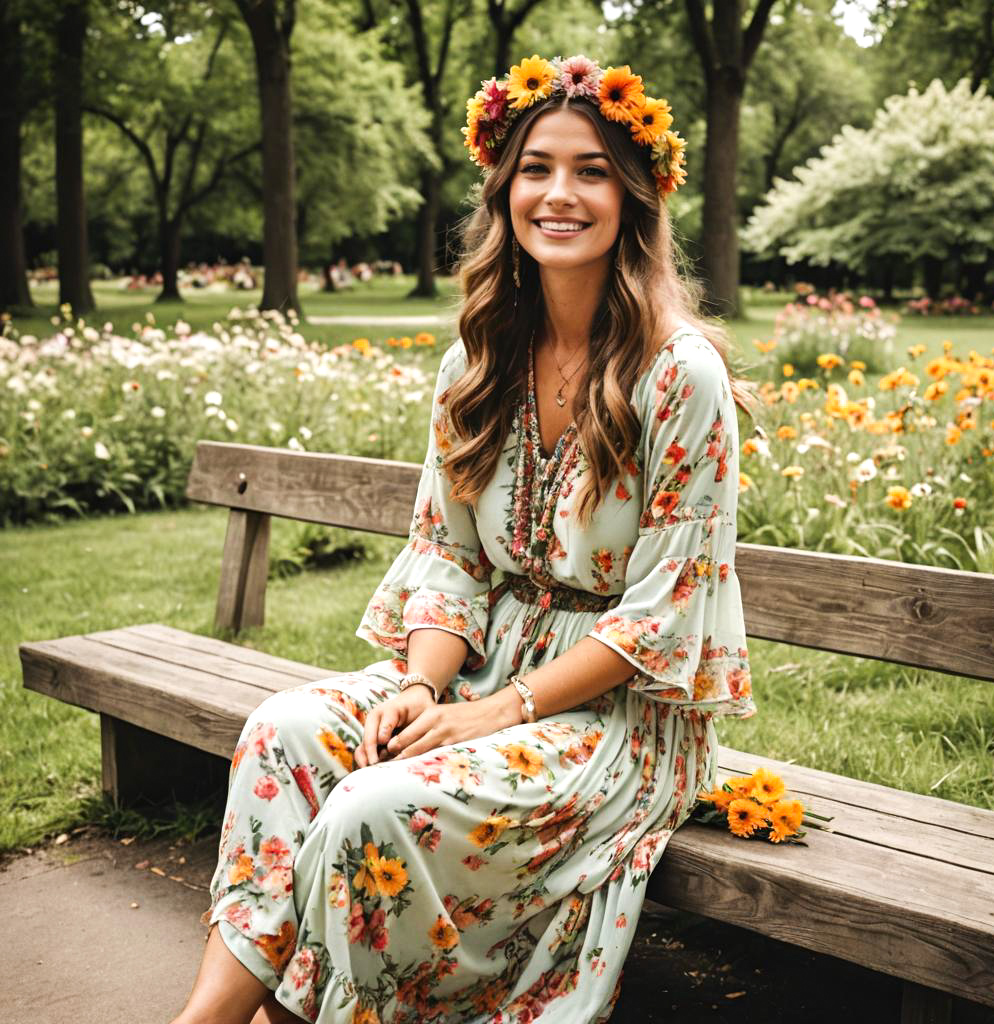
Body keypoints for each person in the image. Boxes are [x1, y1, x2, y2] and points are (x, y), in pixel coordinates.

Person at [172, 53, 758, 1024]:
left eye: (592, 169)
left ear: (634, 196)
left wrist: (498, 713)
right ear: (503, 187)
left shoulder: (677, 376)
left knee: (374, 808)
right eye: (535, 167)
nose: (559, 193)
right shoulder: (476, 358)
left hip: (616, 722)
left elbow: (664, 616)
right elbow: (446, 555)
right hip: (479, 674)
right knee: (283, 732)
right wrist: (421, 686)